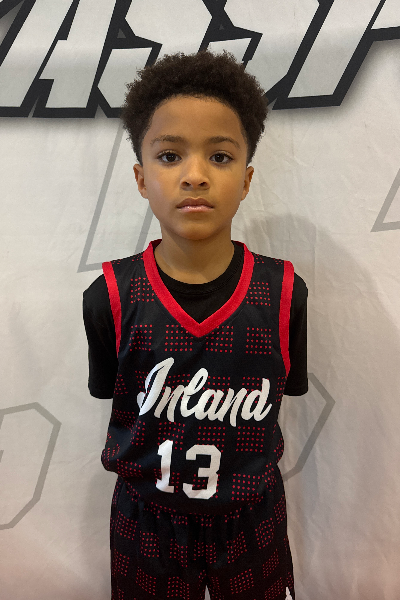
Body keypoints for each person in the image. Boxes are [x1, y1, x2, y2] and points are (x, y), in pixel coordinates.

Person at [83, 50, 308, 600]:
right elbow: (109, 393)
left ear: (247, 179)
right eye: (169, 155)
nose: (195, 175)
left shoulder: (284, 293)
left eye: (220, 156)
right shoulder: (109, 296)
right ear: (141, 178)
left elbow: (289, 389)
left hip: (251, 517)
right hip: (147, 519)